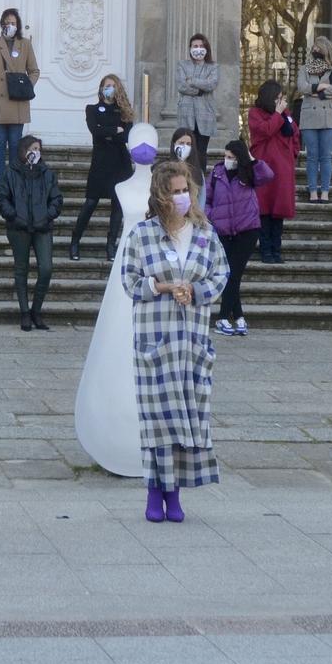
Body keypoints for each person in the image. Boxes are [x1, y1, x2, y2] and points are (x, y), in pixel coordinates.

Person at [121, 160, 229, 523]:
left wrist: (196, 290)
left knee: (189, 416)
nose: (182, 197)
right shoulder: (142, 235)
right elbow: (130, 282)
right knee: (158, 419)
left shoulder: (204, 234)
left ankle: (176, 491)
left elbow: (221, 274)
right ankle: (156, 490)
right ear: (162, 196)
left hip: (193, 341)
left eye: (187, 191)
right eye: (176, 192)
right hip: (155, 340)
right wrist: (163, 286)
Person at [0, 135, 62, 330]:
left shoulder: (47, 173)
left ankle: (36, 310)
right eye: (33, 148)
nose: (36, 152)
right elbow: (1, 197)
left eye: (38, 148)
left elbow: (57, 198)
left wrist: (48, 216)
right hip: (19, 227)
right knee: (21, 269)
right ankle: (25, 312)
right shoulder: (11, 172)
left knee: (46, 268)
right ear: (24, 150)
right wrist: (14, 217)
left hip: (42, 227)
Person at [206, 138, 270, 338]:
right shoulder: (216, 173)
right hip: (223, 229)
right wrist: (211, 216)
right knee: (230, 274)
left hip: (247, 229)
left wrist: (252, 160)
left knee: (233, 274)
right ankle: (239, 317)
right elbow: (207, 199)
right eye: (226, 156)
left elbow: (268, 175)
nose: (228, 160)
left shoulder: (249, 172)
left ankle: (224, 317)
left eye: (232, 157)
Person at [70, 73, 134, 262]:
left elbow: (126, 137)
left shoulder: (124, 112)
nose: (110, 89)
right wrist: (114, 130)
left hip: (120, 162)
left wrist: (109, 133)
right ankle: (75, 240)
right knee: (90, 202)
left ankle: (110, 245)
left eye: (113, 85)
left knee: (117, 206)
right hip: (100, 161)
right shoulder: (92, 109)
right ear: (101, 88)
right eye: (107, 85)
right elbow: (95, 131)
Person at [0, 8, 39, 186]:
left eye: (13, 23)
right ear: (1, 25)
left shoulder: (25, 44)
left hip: (18, 101)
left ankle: (13, 179)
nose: (9, 26)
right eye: (6, 23)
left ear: (18, 24)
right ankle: (0, 180)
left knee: (15, 143)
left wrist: (27, 86)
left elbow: (34, 70)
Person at [248, 80, 299, 263]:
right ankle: (266, 250)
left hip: (282, 169)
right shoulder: (255, 114)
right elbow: (265, 130)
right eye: (278, 98)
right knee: (264, 209)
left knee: (279, 211)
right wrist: (277, 114)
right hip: (264, 168)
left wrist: (293, 154)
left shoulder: (285, 114)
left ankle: (276, 250)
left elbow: (294, 133)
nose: (281, 101)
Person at [297, 36, 332, 203]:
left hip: (328, 117)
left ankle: (325, 190)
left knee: (325, 156)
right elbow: (301, 87)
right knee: (312, 155)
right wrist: (320, 87)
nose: (315, 51)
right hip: (309, 116)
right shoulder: (304, 68)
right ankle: (312, 191)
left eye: (318, 48)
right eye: (313, 49)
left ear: (326, 50)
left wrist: (317, 93)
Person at [175, 34, 222, 173]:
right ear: (190, 49)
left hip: (205, 114)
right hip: (186, 113)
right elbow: (181, 85)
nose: (198, 49)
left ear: (206, 48)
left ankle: (199, 183)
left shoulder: (213, 67)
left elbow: (211, 84)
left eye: (201, 46)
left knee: (201, 152)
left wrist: (192, 80)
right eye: (195, 46)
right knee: (186, 151)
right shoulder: (182, 65)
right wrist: (199, 90)